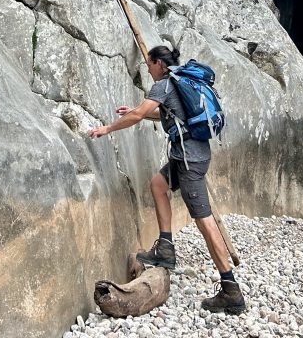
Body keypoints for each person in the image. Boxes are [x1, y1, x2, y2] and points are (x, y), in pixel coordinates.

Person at [88, 45, 246, 316]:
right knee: (158, 185)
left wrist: (108, 128)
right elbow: (162, 113)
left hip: (189, 162)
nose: (148, 70)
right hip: (187, 157)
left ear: (159, 63)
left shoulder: (164, 84)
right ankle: (166, 248)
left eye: (149, 65)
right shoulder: (176, 81)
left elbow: (140, 114)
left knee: (205, 222)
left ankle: (231, 290)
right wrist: (134, 111)